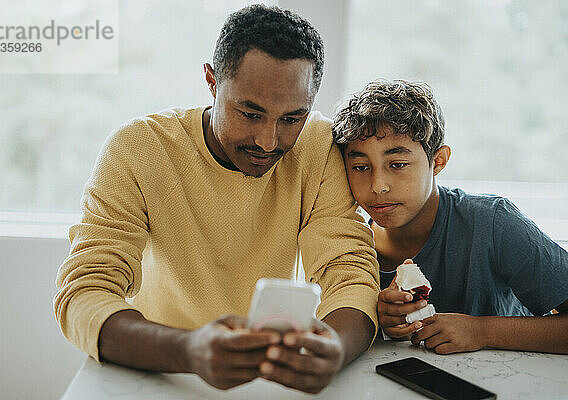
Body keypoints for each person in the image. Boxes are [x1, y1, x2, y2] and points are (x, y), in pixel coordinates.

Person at [54, 5, 380, 394]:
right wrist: (187, 350)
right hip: (156, 372)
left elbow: (350, 272)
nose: (268, 141)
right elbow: (84, 292)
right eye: (249, 113)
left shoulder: (318, 146)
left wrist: (336, 349)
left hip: (271, 380)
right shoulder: (137, 149)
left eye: (292, 119)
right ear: (212, 81)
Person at [332, 79, 568, 355]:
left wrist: (482, 331)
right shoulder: (347, 249)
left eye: (397, 164)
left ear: (438, 161)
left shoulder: (492, 223)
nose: (378, 185)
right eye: (360, 167)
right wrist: (380, 323)